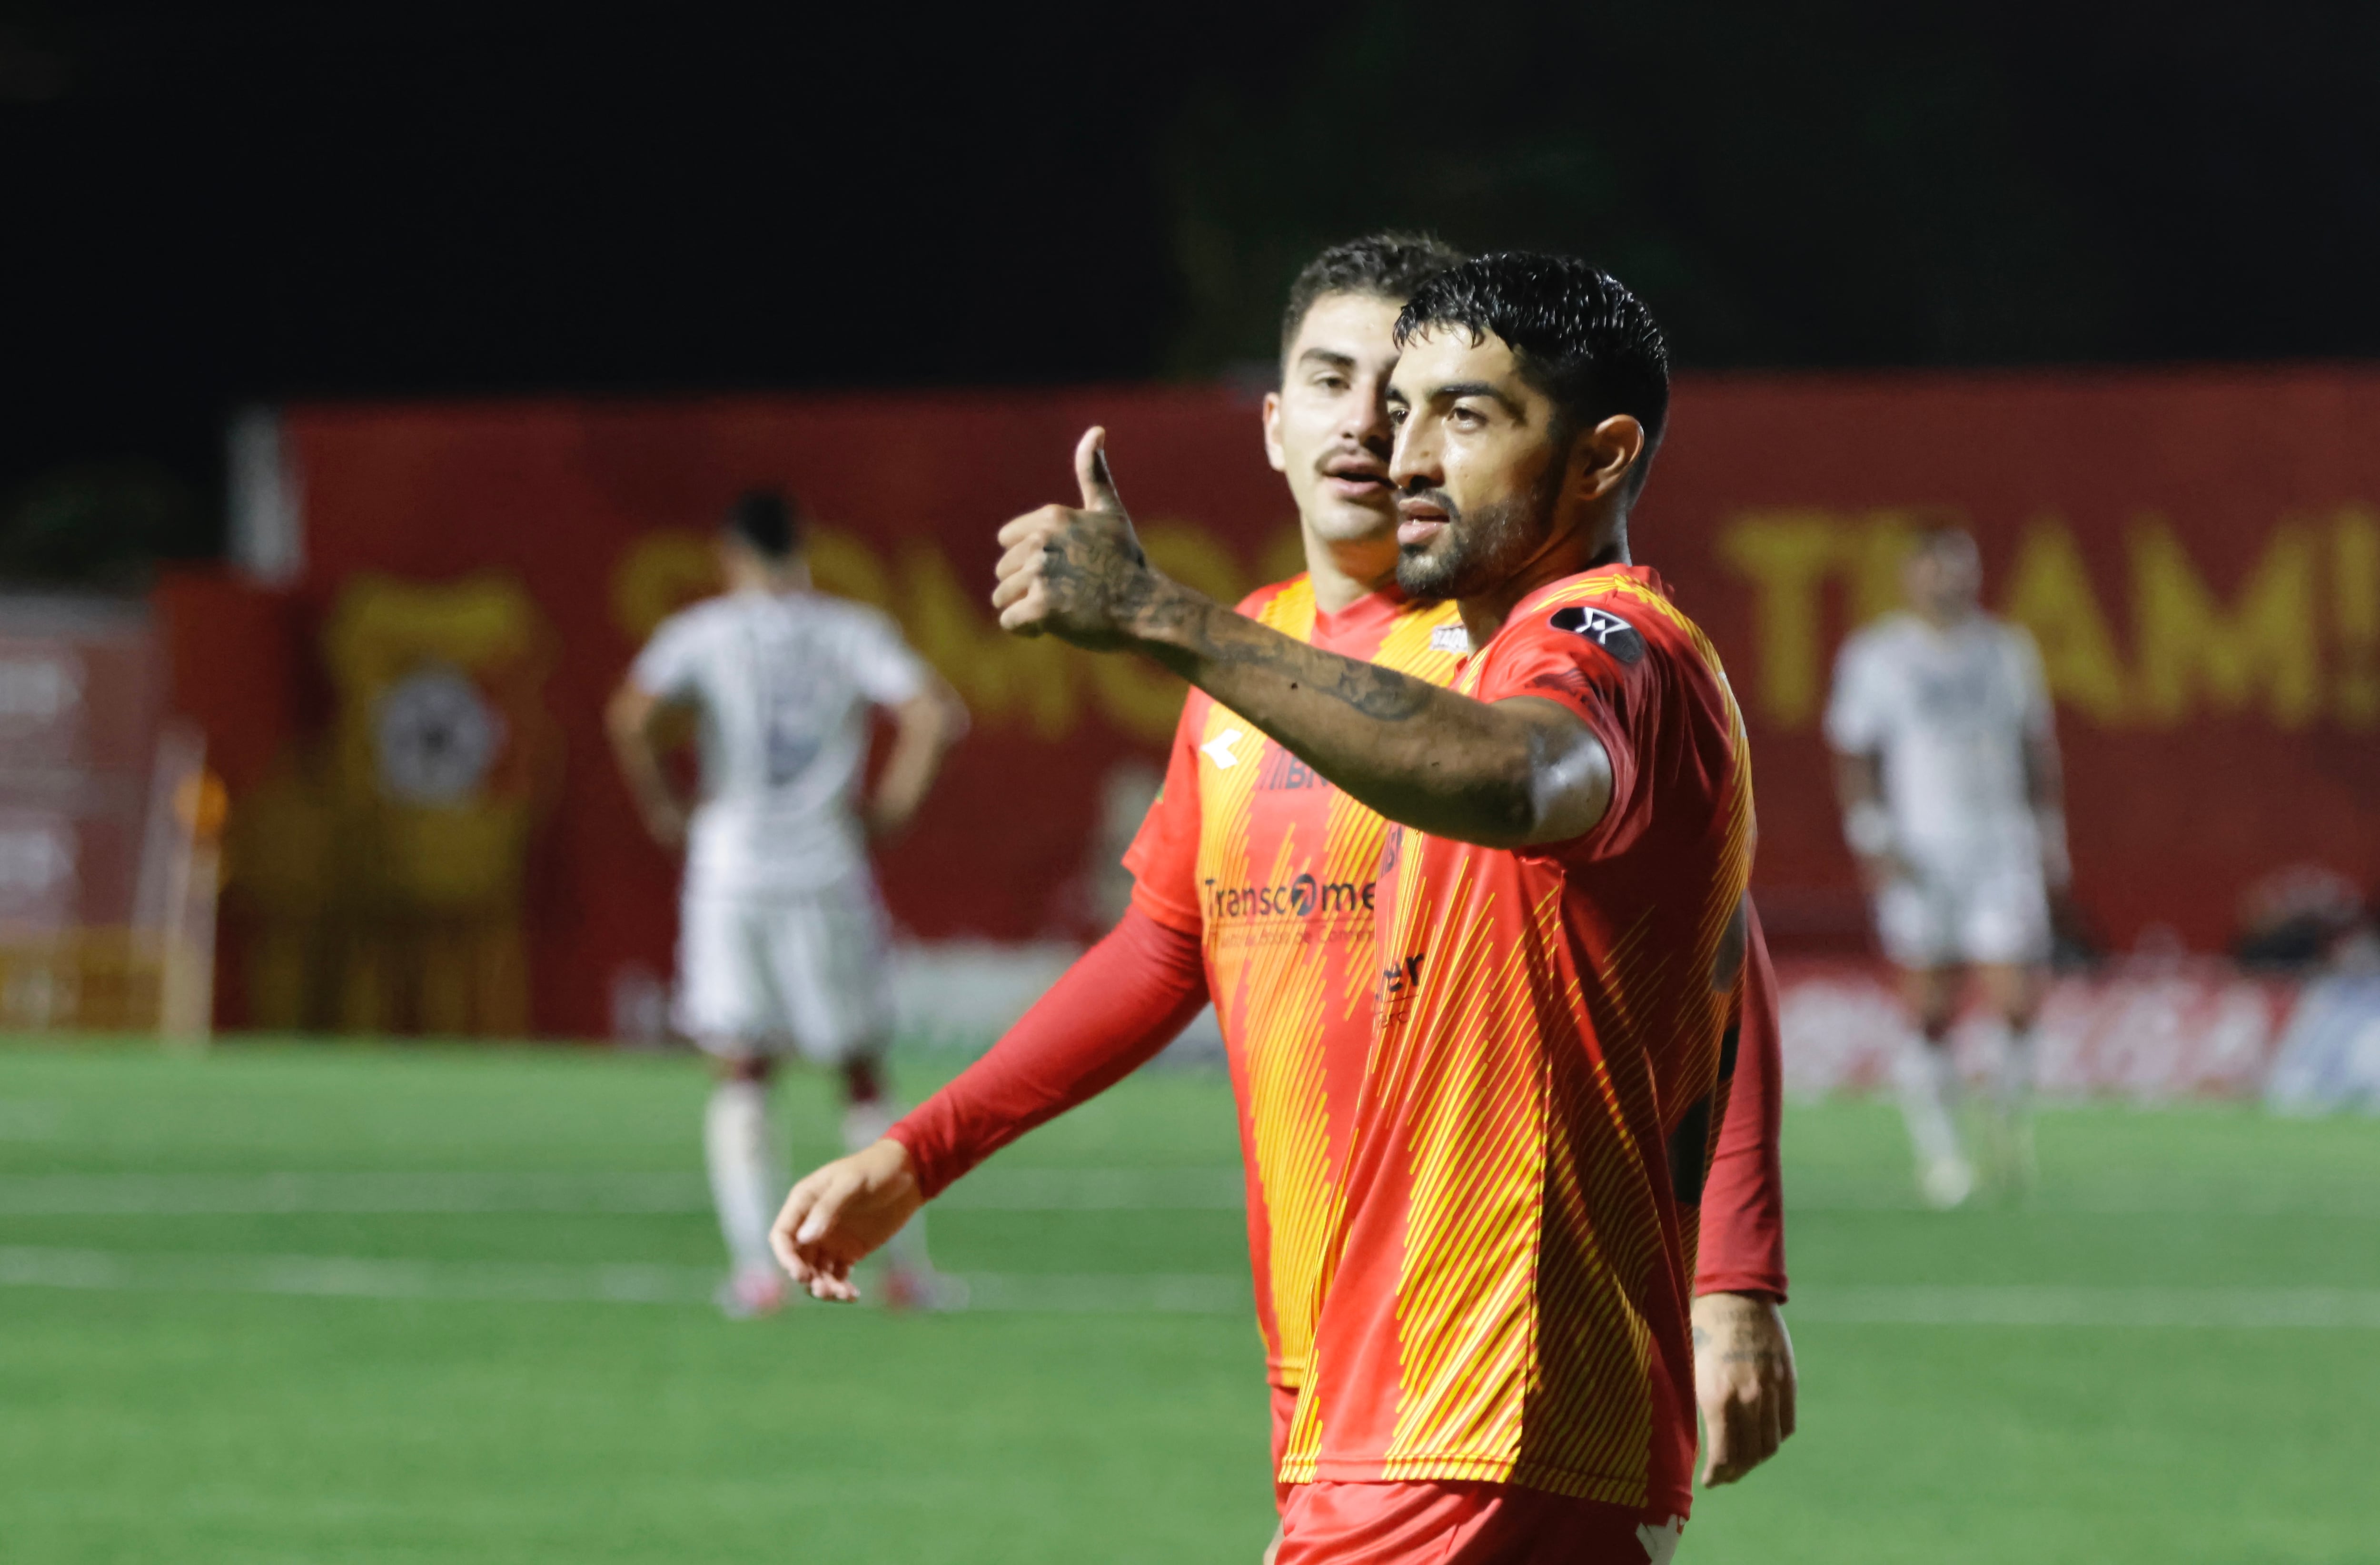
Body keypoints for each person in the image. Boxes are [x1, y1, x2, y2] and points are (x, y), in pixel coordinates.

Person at [784, 252, 1761, 1562]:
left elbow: (1573, 818)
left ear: (1599, 457)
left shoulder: (1564, 646)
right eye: (1361, 391)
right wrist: (923, 1153)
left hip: (1477, 1382)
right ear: (1275, 422)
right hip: (1367, 1375)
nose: (1392, 441)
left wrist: (1738, 1275)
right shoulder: (1273, 665)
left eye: (1452, 413)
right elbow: (1161, 947)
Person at [606, 488, 966, 1316]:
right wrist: (893, 811)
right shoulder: (847, 631)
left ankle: (758, 1275)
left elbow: (630, 718)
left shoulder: (703, 631)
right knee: (861, 1070)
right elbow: (932, 713)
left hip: (731, 866)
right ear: (803, 548)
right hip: (825, 867)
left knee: (742, 1062)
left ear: (730, 555)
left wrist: (666, 805)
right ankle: (904, 1272)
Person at [1826, 525, 2066, 1207]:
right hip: (1921, 849)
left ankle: (2006, 1124)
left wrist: (2048, 832)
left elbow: (2034, 743)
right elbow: (1855, 752)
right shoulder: (1880, 657)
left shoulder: (2005, 649)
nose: (1950, 582)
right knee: (1932, 1004)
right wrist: (1872, 836)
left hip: (2000, 846)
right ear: (1911, 576)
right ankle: (1941, 1154)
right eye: (1936, 570)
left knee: (2016, 999)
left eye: (1961, 569)